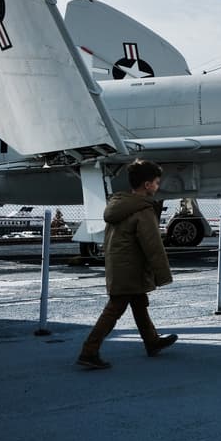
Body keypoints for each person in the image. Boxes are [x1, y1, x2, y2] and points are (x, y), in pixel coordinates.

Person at [76, 159, 177, 370]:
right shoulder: (143, 210)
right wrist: (163, 274)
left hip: (120, 266)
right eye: (156, 182)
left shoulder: (120, 204)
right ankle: (89, 351)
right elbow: (153, 246)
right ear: (147, 185)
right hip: (132, 269)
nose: (158, 186)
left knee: (139, 303)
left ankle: (152, 341)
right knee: (114, 310)